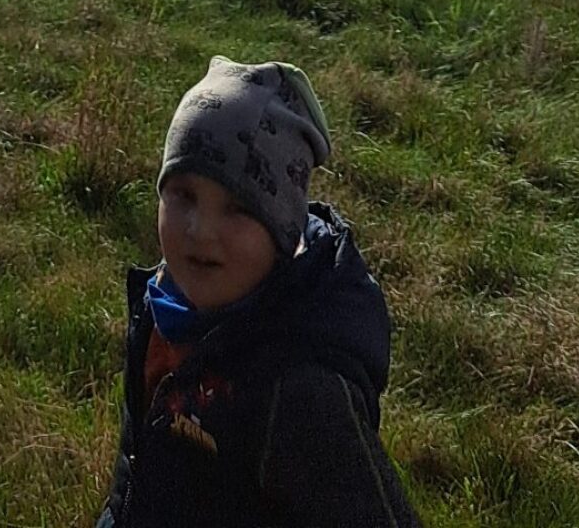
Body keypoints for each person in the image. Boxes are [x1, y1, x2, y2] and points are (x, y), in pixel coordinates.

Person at [97, 55, 423, 527]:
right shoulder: (162, 305)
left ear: (282, 233)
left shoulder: (299, 389)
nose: (200, 230)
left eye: (238, 208)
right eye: (184, 194)